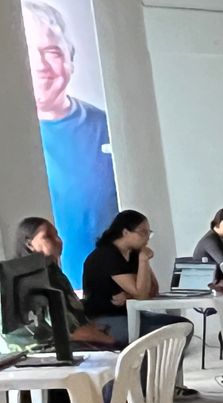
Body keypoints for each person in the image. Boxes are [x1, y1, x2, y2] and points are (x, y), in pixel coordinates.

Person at [22, 0, 118, 290]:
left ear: (70, 59)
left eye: (52, 52)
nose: (41, 66)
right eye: (30, 53)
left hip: (104, 290)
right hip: (50, 293)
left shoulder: (106, 127)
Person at [80, 210, 190, 347]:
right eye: (143, 232)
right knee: (175, 331)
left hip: (129, 314)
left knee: (183, 325)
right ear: (125, 232)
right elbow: (142, 294)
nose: (147, 238)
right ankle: (146, 361)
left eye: (149, 233)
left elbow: (153, 290)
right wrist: (143, 260)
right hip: (104, 319)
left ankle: (162, 361)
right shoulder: (107, 255)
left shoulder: (133, 254)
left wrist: (129, 294)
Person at [9, 217, 114, 348]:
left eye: (57, 235)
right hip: (44, 349)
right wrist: (108, 341)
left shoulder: (54, 273)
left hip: (71, 340)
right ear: (29, 245)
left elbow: (73, 314)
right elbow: (60, 328)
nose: (58, 241)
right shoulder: (28, 279)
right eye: (48, 237)